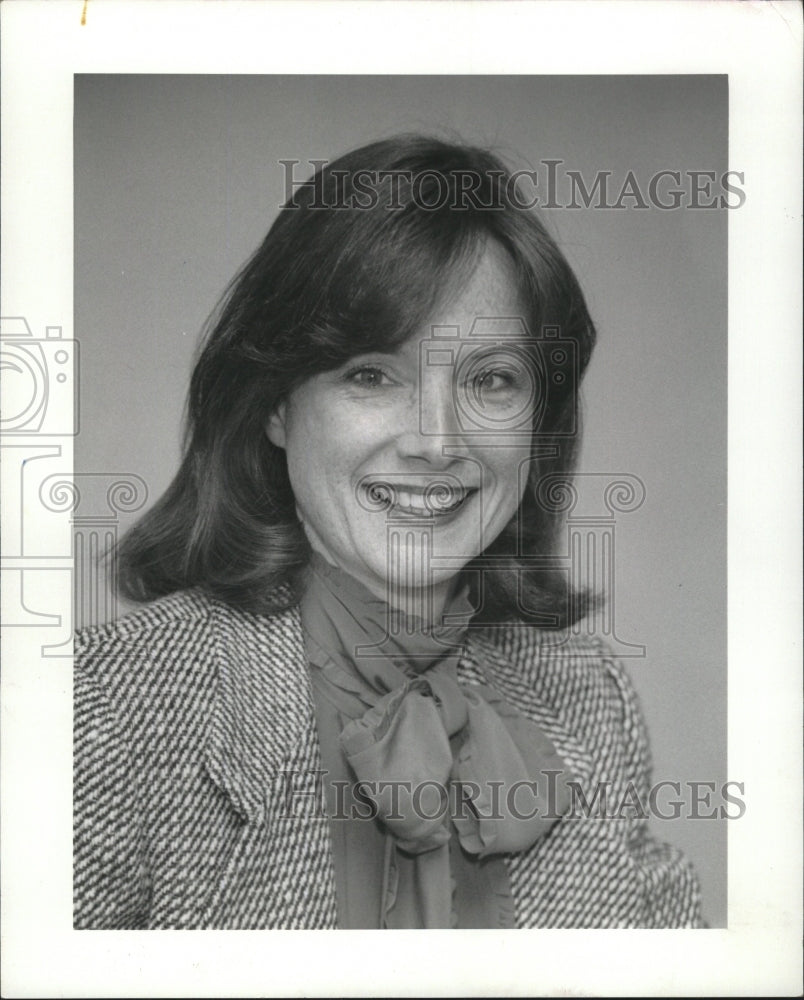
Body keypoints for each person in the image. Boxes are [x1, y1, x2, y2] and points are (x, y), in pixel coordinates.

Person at [73, 135, 703, 929]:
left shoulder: (589, 700)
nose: (437, 442)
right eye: (372, 374)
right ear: (273, 405)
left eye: (491, 380)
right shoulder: (102, 710)